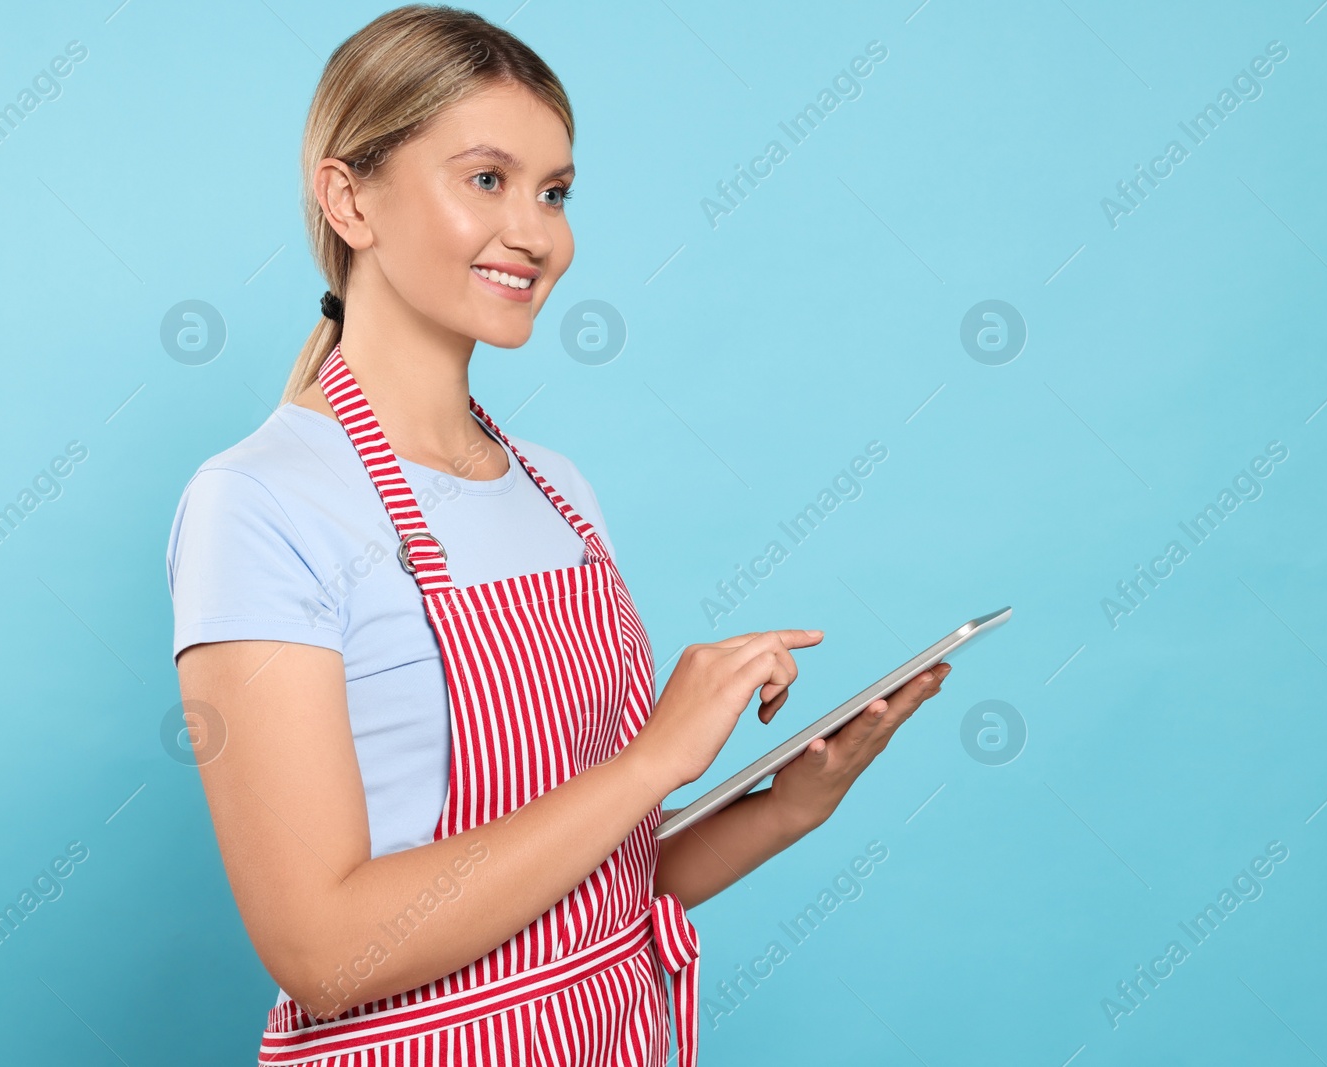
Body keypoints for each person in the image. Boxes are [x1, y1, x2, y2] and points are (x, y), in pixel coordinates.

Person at [164, 6, 951, 1064]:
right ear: (349, 197)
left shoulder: (557, 490)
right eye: (486, 179)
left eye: (555, 191)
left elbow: (591, 890)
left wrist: (786, 806)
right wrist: (654, 758)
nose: (536, 233)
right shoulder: (258, 503)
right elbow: (325, 946)